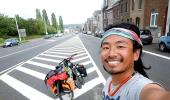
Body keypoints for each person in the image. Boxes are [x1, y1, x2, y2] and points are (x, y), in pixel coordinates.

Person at [100, 22, 170, 100]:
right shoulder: (110, 81)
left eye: (120, 46)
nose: (111, 54)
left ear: (136, 53)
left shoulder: (140, 88)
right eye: (106, 47)